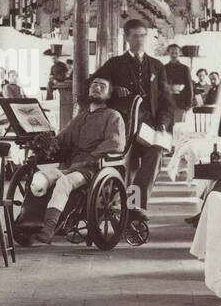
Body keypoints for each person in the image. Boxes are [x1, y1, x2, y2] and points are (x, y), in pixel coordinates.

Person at [91, 19, 174, 211]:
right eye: (135, 36)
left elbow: (166, 100)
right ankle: (117, 204)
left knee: (156, 152)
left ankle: (136, 206)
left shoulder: (156, 66)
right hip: (121, 128)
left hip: (148, 128)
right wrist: (111, 89)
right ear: (127, 37)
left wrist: (162, 123)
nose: (139, 40)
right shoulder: (115, 64)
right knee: (126, 167)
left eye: (143, 35)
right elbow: (93, 84)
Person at [31, 77, 126, 244]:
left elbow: (115, 143)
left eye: (102, 86)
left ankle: (48, 229)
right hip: (70, 165)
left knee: (64, 182)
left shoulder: (113, 116)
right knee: (39, 178)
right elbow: (63, 139)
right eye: (93, 85)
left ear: (109, 94)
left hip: (93, 168)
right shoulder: (81, 117)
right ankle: (29, 223)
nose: (96, 87)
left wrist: (91, 157)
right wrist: (46, 145)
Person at [163, 43, 195, 126]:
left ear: (180, 53)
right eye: (172, 52)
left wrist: (188, 104)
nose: (174, 55)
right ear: (168, 53)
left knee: (178, 128)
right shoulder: (163, 68)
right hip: (167, 104)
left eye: (176, 53)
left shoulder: (185, 68)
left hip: (181, 104)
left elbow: (189, 87)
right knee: (166, 129)